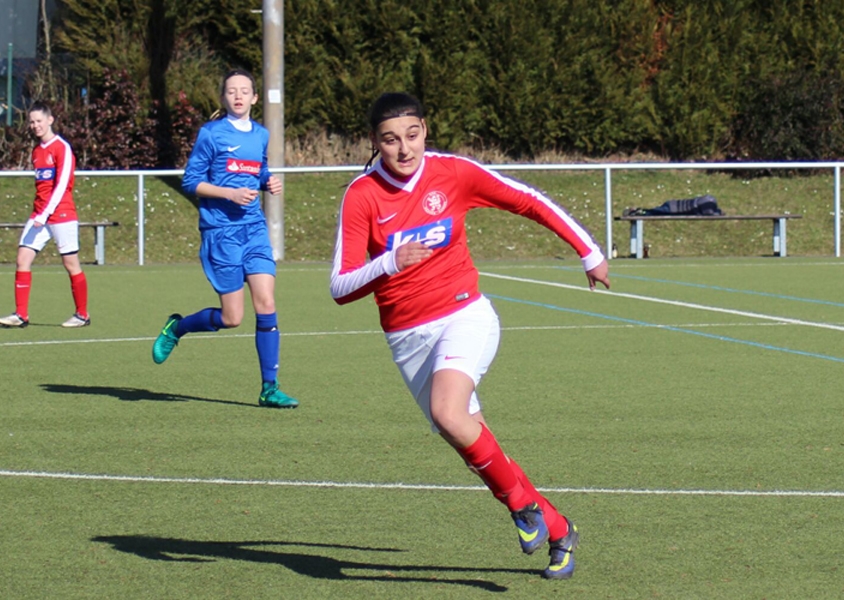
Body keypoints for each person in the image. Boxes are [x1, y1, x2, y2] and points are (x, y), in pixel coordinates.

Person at [330, 92, 611, 579]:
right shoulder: (362, 195)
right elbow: (340, 286)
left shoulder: (454, 173)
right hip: (407, 339)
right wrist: (389, 262)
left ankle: (522, 508)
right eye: (390, 140)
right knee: (468, 436)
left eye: (412, 135)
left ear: (425, 130)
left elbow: (527, 200)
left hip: (464, 315)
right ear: (374, 141)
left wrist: (588, 250)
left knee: (448, 413)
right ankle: (558, 528)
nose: (404, 149)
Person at [151, 68, 298, 409]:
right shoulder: (211, 134)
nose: (238, 96)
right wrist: (228, 194)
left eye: (244, 90)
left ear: (254, 97)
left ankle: (270, 388)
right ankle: (177, 328)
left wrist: (268, 182)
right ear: (223, 97)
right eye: (232, 91)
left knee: (267, 303)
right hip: (221, 232)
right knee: (232, 318)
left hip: (253, 228)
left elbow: (258, 170)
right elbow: (191, 181)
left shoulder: (261, 135)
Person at [0, 102, 89, 328]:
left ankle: (82, 315)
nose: (35, 125)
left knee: (70, 263)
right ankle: (21, 315)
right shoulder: (37, 151)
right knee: (23, 259)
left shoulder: (62, 147)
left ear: (50, 120)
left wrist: (45, 213)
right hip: (39, 215)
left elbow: (62, 185)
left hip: (61, 214)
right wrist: (39, 213)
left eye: (39, 121)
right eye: (32, 122)